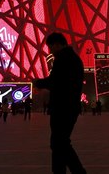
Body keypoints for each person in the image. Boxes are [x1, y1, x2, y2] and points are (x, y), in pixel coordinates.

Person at [33, 32, 86, 174]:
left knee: (59, 143)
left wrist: (38, 82)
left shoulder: (63, 59)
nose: (50, 51)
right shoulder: (73, 58)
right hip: (68, 106)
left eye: (51, 47)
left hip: (63, 107)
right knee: (58, 143)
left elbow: (55, 82)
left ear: (58, 44)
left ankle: (79, 171)